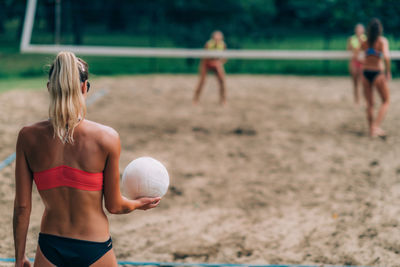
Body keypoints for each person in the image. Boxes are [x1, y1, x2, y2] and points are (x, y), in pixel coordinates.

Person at [13, 51, 161, 267]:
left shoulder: (28, 136)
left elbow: (22, 208)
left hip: (50, 246)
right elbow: (114, 206)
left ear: (49, 88)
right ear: (85, 87)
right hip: (94, 246)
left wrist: (19, 258)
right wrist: (138, 204)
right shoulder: (106, 138)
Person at [361, 18, 391, 138]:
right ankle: (376, 126)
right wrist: (388, 71)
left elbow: (360, 53)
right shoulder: (382, 41)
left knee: (370, 104)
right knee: (386, 101)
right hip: (377, 73)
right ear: (380, 29)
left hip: (366, 73)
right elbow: (387, 57)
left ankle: (371, 130)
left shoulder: (365, 42)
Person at [193, 30, 227, 106]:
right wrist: (212, 61)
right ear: (213, 38)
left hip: (216, 63)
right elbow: (204, 57)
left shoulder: (223, 45)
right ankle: (196, 99)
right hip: (206, 63)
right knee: (202, 81)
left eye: (219, 38)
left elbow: (225, 58)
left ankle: (223, 100)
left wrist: (219, 62)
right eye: (216, 38)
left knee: (222, 81)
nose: (217, 39)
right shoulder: (208, 44)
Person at [347, 23, 366, 105]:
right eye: (357, 29)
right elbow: (349, 49)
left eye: (360, 29)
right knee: (355, 82)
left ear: (363, 30)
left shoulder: (365, 38)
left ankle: (365, 99)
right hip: (354, 62)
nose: (359, 31)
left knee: (364, 82)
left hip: (363, 62)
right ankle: (356, 100)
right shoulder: (351, 39)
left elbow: (365, 50)